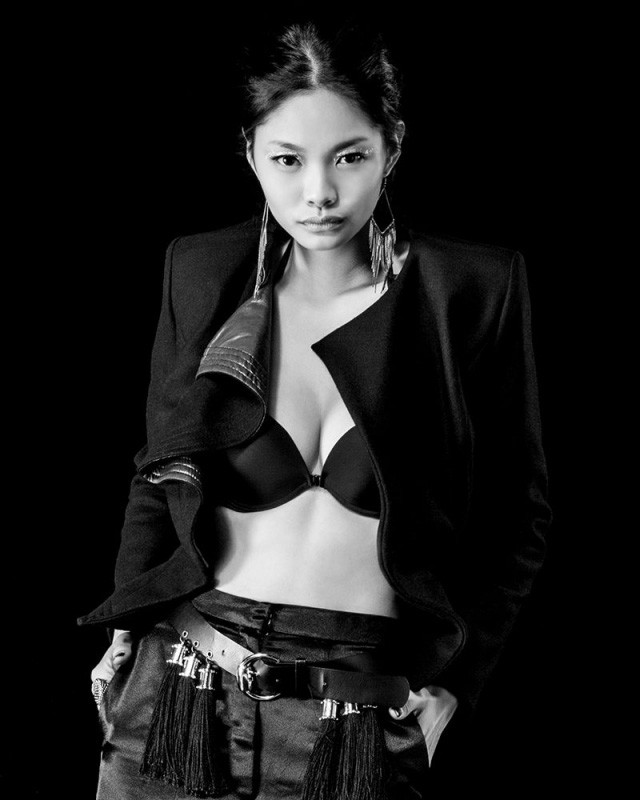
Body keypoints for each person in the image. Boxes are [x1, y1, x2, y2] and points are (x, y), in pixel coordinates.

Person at [79, 18, 551, 800]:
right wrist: (123, 630)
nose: (320, 193)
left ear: (392, 148)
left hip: (355, 718)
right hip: (179, 691)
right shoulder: (202, 272)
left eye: (350, 157)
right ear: (250, 154)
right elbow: (159, 471)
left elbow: (518, 515)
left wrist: (455, 685)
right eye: (288, 159)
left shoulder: (467, 293)